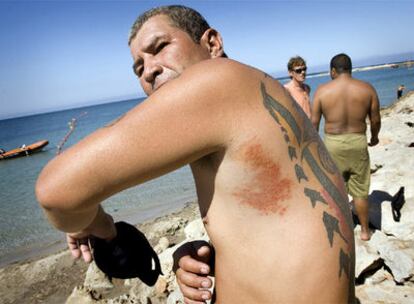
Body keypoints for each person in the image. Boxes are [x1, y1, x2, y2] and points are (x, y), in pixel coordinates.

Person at [36, 5, 356, 303]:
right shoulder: (246, 95)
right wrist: (209, 258)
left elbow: (57, 190)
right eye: (138, 67)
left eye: (160, 47)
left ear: (212, 43)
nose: (148, 70)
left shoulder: (219, 81)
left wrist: (97, 224)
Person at [312, 53, 381, 242]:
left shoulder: (322, 91)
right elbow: (375, 120)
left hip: (333, 143)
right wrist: (374, 137)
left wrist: (315, 147)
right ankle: (365, 231)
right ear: (350, 69)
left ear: (333, 71)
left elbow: (314, 123)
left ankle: (343, 230)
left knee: (336, 187)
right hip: (358, 141)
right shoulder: (367, 89)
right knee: (360, 189)